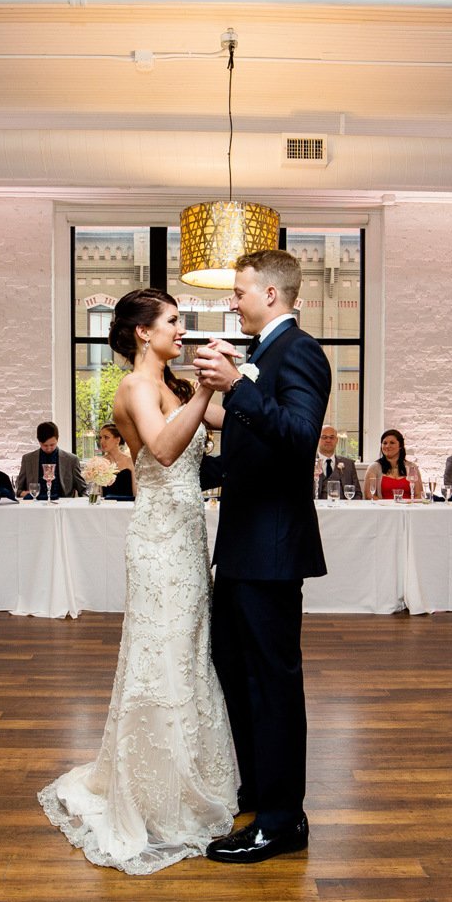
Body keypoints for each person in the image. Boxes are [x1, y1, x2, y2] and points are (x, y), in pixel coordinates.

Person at [39, 288, 237, 874]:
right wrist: (205, 387)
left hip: (189, 535)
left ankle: (189, 773)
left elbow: (229, 421)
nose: (184, 330)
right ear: (143, 334)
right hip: (156, 537)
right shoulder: (135, 387)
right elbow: (165, 449)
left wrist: (243, 384)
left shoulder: (175, 386)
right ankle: (151, 790)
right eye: (174, 322)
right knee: (161, 655)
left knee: (190, 655)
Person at [194, 248, 331, 865]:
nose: (233, 301)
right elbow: (254, 451)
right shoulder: (264, 355)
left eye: (241, 292)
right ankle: (257, 790)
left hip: (272, 549)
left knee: (272, 684)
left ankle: (282, 819)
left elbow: (301, 438)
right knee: (236, 670)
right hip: (245, 547)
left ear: (271, 295)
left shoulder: (298, 351)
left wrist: (238, 390)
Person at [15, 421, 86, 500]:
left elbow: (83, 490)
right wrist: (27, 493)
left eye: (52, 445)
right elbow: (18, 491)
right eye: (45, 445)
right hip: (34, 506)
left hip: (63, 506)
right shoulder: (27, 459)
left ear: (57, 439)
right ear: (39, 441)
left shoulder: (71, 460)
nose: (49, 448)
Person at [361, 429, 421, 500]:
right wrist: (387, 506)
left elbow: (419, 495)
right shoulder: (374, 467)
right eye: (385, 443)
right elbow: (369, 495)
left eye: (392, 443)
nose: (387, 446)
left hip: (408, 509)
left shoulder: (412, 467)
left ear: (400, 446)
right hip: (384, 509)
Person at [314, 424, 360, 499]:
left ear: (337, 440)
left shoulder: (349, 464)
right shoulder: (306, 463)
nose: (328, 440)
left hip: (343, 509)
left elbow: (357, 494)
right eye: (324, 437)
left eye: (332, 437)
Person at [98, 423, 136, 498]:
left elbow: (136, 491)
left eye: (106, 437)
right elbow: (99, 493)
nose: (102, 441)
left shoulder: (130, 461)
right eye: (100, 438)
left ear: (117, 440)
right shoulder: (99, 462)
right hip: (106, 506)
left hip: (128, 506)